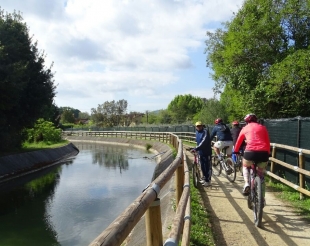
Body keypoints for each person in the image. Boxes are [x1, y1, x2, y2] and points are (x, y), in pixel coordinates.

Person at [234, 113, 270, 199]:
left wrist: (236, 151)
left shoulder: (244, 128)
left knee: (245, 166)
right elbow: (267, 142)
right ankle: (262, 198)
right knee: (261, 175)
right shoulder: (263, 127)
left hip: (250, 153)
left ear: (246, 121)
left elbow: (239, 141)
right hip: (263, 153)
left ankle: (246, 183)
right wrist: (268, 153)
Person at [191, 121, 212, 187]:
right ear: (196, 127)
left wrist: (196, 148)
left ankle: (208, 181)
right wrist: (196, 148)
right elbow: (198, 141)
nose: (199, 127)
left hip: (206, 152)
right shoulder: (197, 132)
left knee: (207, 166)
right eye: (197, 126)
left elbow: (204, 142)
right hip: (200, 152)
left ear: (202, 126)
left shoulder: (205, 131)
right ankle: (205, 178)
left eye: (200, 126)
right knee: (202, 166)